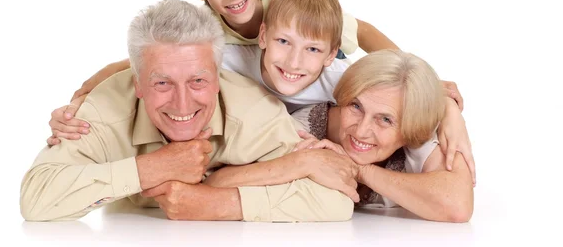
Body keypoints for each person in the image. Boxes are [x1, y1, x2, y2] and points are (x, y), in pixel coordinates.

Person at [48, 0, 464, 126]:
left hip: (317, 68)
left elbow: (365, 32)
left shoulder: (292, 3)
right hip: (262, 81)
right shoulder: (205, 26)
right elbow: (140, 64)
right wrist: (83, 92)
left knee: (348, 88)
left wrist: (420, 74)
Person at [48, 0, 475, 181]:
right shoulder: (236, 58)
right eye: (284, 42)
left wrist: (448, 109)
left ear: (330, 55)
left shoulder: (344, 81)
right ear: (264, 36)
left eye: (311, 50)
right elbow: (140, 65)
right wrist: (80, 99)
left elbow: (399, 78)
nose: (293, 62)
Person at [20, 0, 354, 222]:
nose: (182, 104)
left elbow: (336, 199)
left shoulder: (254, 112)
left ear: (219, 79)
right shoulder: (107, 108)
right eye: (162, 84)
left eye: (197, 80)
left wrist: (218, 203)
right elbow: (35, 199)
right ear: (137, 83)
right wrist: (152, 168)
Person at [202, 49, 474, 222]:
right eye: (356, 106)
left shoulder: (421, 131)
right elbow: (218, 181)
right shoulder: (303, 129)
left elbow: (457, 205)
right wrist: (298, 163)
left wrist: (359, 170)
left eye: (385, 120)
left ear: (409, 130)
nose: (362, 130)